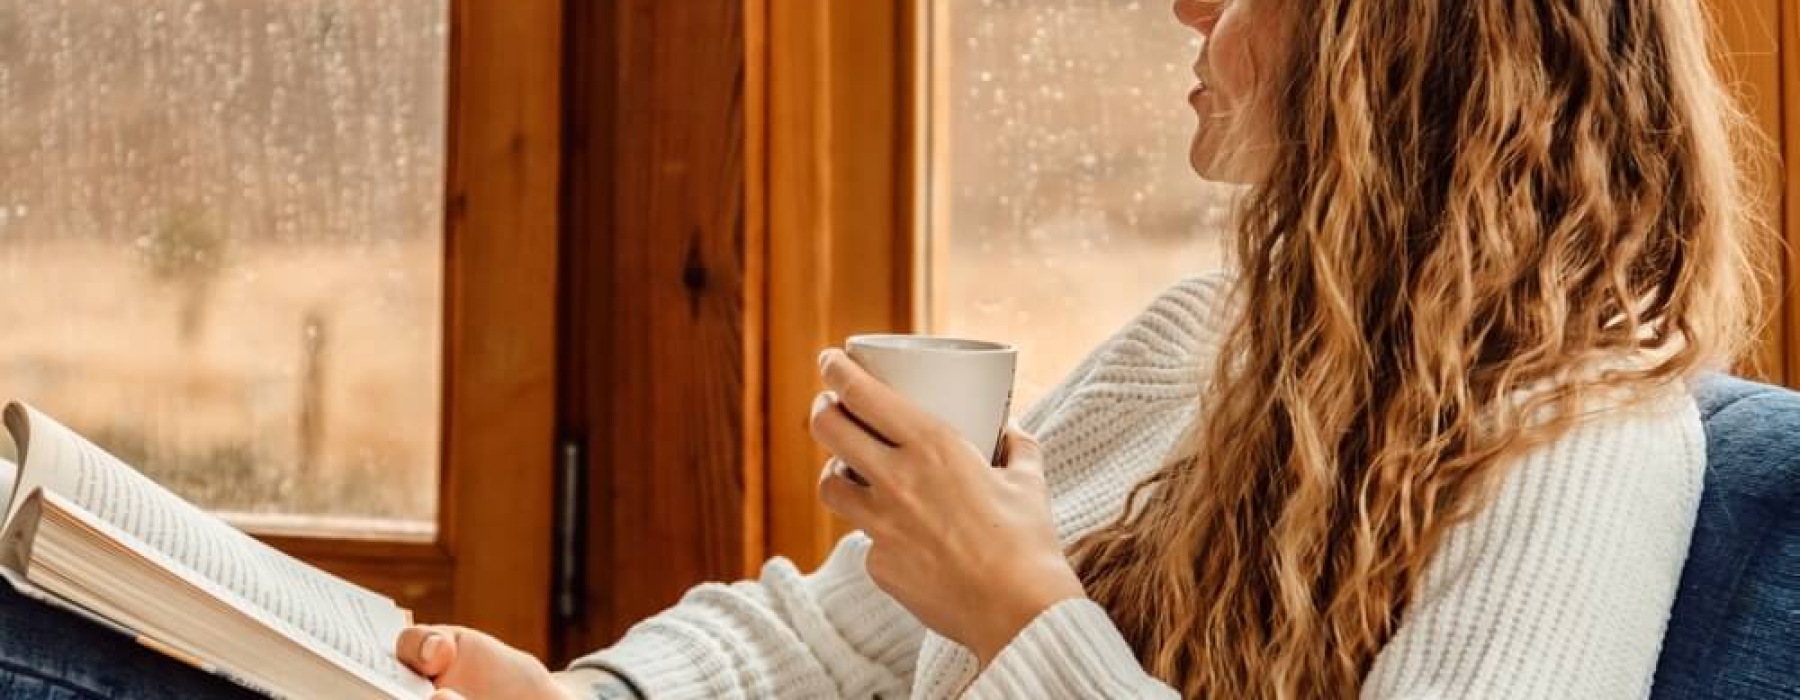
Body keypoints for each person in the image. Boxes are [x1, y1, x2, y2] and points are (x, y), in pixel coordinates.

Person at [0, 0, 1755, 697]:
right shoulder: (1214, 339)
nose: (1184, 8)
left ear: (1402, 39)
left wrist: (1019, 614)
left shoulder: (1585, 450)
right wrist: (594, 699)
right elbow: (826, 637)